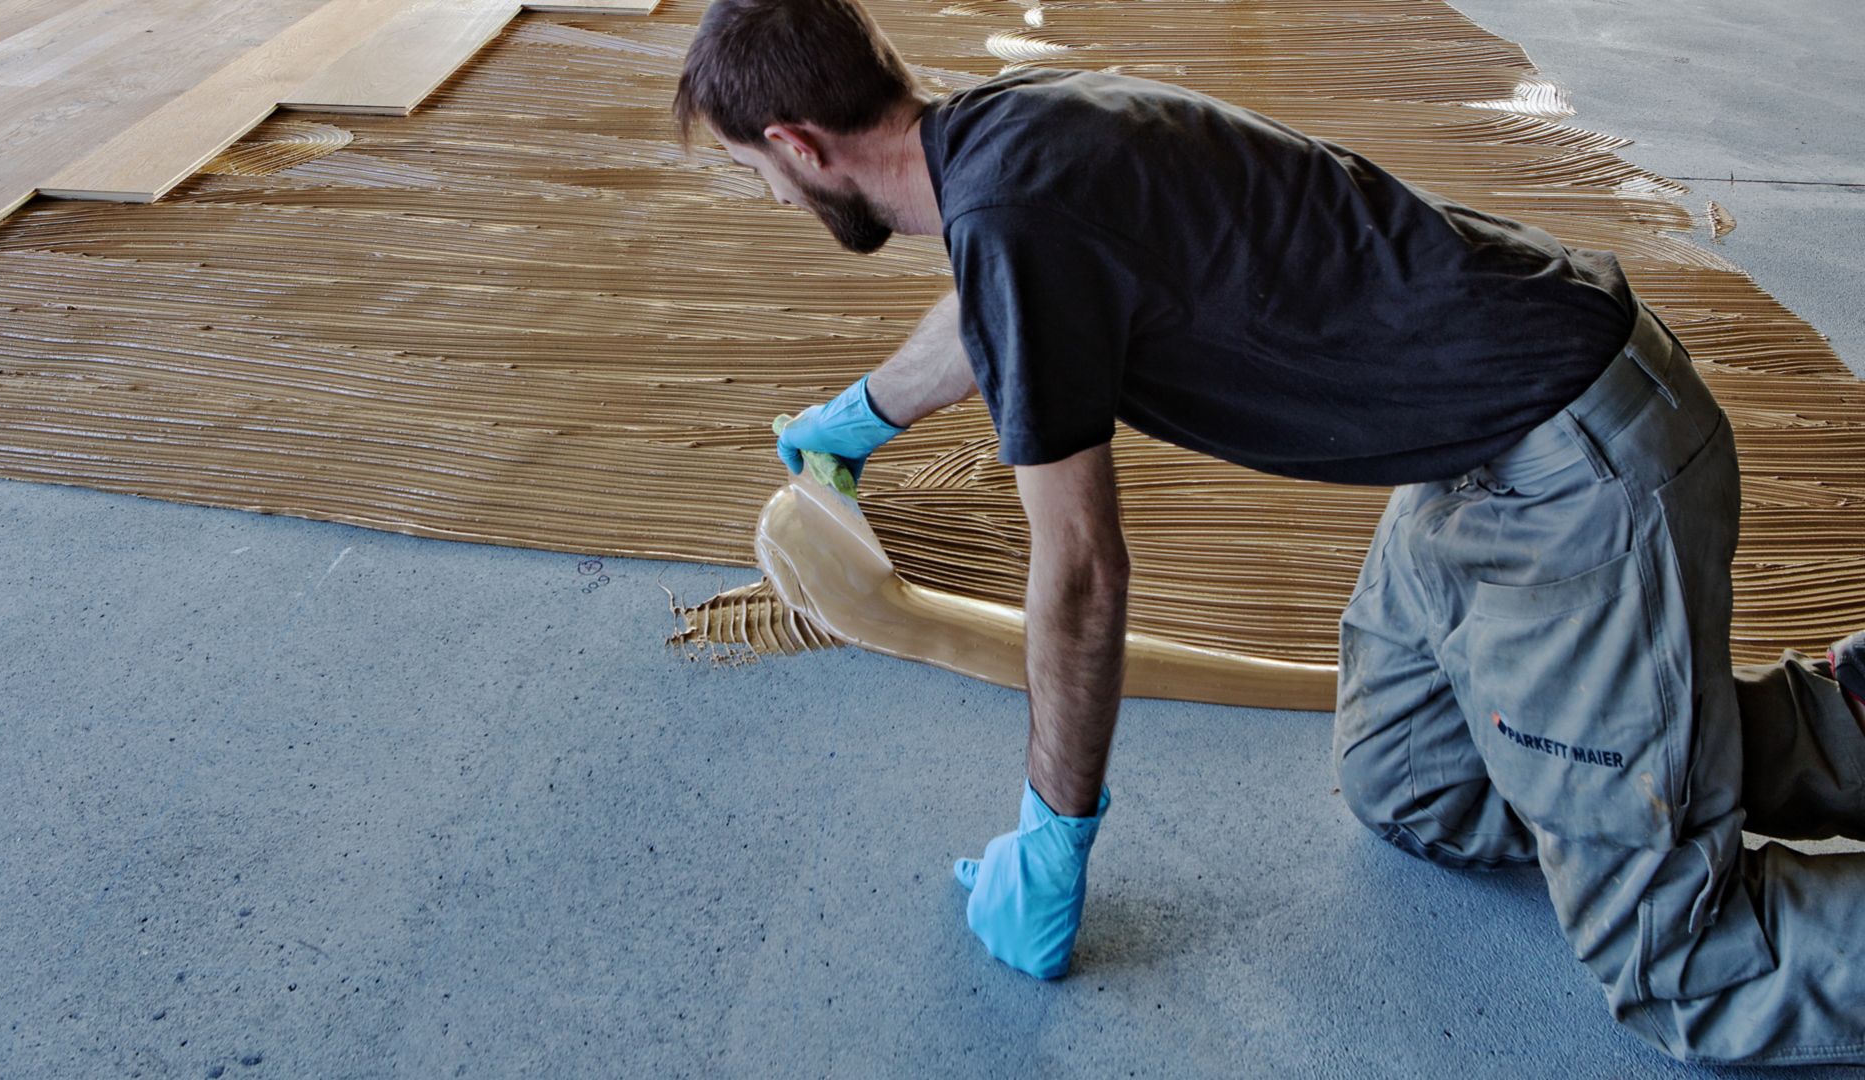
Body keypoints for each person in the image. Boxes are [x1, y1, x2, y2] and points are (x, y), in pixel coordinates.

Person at [672, 0, 1865, 1064]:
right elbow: (1000, 302)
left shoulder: (1010, 211)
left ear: (798, 145)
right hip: (1475, 437)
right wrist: (865, 417)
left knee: (1686, 972)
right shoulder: (1000, 141)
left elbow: (1081, 576)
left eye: (755, 173)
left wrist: (1054, 831)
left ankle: (1719, 781)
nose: (772, 199)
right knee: (1412, 783)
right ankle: (1817, 735)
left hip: (1578, 461)